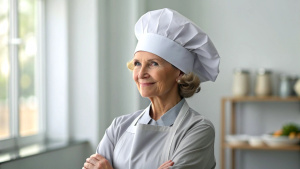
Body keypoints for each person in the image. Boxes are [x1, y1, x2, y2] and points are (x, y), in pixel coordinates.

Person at [83, 8, 220, 169]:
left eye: (153, 63)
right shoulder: (119, 126)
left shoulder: (197, 129)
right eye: (137, 64)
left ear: (180, 72)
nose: (141, 73)